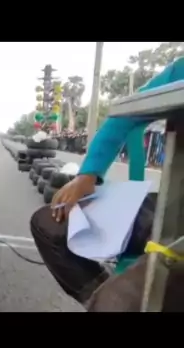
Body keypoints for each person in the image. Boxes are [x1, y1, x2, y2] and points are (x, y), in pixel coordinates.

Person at [30, 56, 184, 310]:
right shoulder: (180, 69)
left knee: (125, 298)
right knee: (49, 223)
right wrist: (88, 174)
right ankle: (102, 295)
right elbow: (124, 116)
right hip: (168, 208)